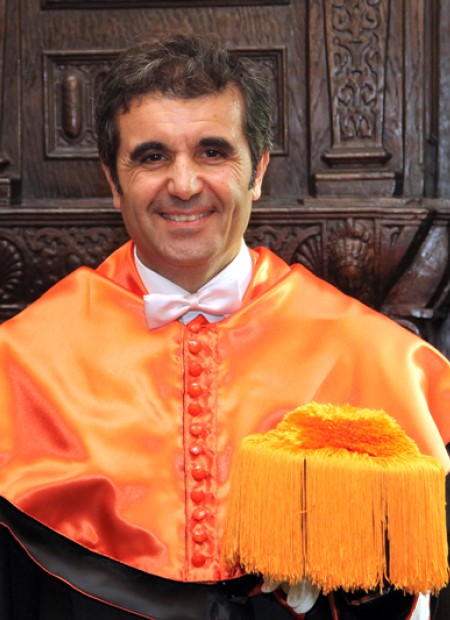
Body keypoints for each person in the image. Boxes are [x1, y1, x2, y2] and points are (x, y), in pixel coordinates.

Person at [0, 34, 448, 620]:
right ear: (113, 181)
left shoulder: (376, 356)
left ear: (257, 171)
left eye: (213, 152)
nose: (184, 185)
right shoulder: (21, 362)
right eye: (152, 156)